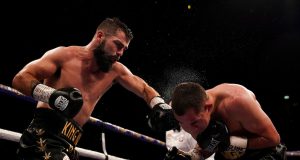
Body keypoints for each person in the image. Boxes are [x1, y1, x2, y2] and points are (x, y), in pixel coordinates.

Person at [12, 17, 173, 160]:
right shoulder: (64, 56)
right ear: (100, 36)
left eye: (124, 49)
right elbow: (20, 79)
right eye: (117, 45)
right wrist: (53, 96)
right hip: (41, 138)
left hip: (68, 144)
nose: (120, 53)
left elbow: (144, 89)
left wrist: (160, 105)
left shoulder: (115, 71)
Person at [167, 82, 287, 160]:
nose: (191, 130)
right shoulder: (191, 114)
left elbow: (273, 139)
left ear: (208, 107)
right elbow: (213, 142)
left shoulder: (238, 102)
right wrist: (192, 157)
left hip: (263, 153)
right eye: (182, 123)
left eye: (194, 123)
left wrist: (234, 144)